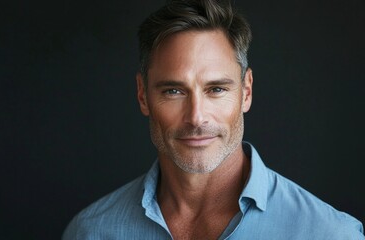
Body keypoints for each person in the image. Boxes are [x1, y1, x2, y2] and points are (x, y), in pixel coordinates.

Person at [62, 0, 364, 239]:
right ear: (143, 95)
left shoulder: (329, 234)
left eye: (216, 89)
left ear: (246, 92)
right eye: (174, 90)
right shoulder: (91, 232)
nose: (196, 117)